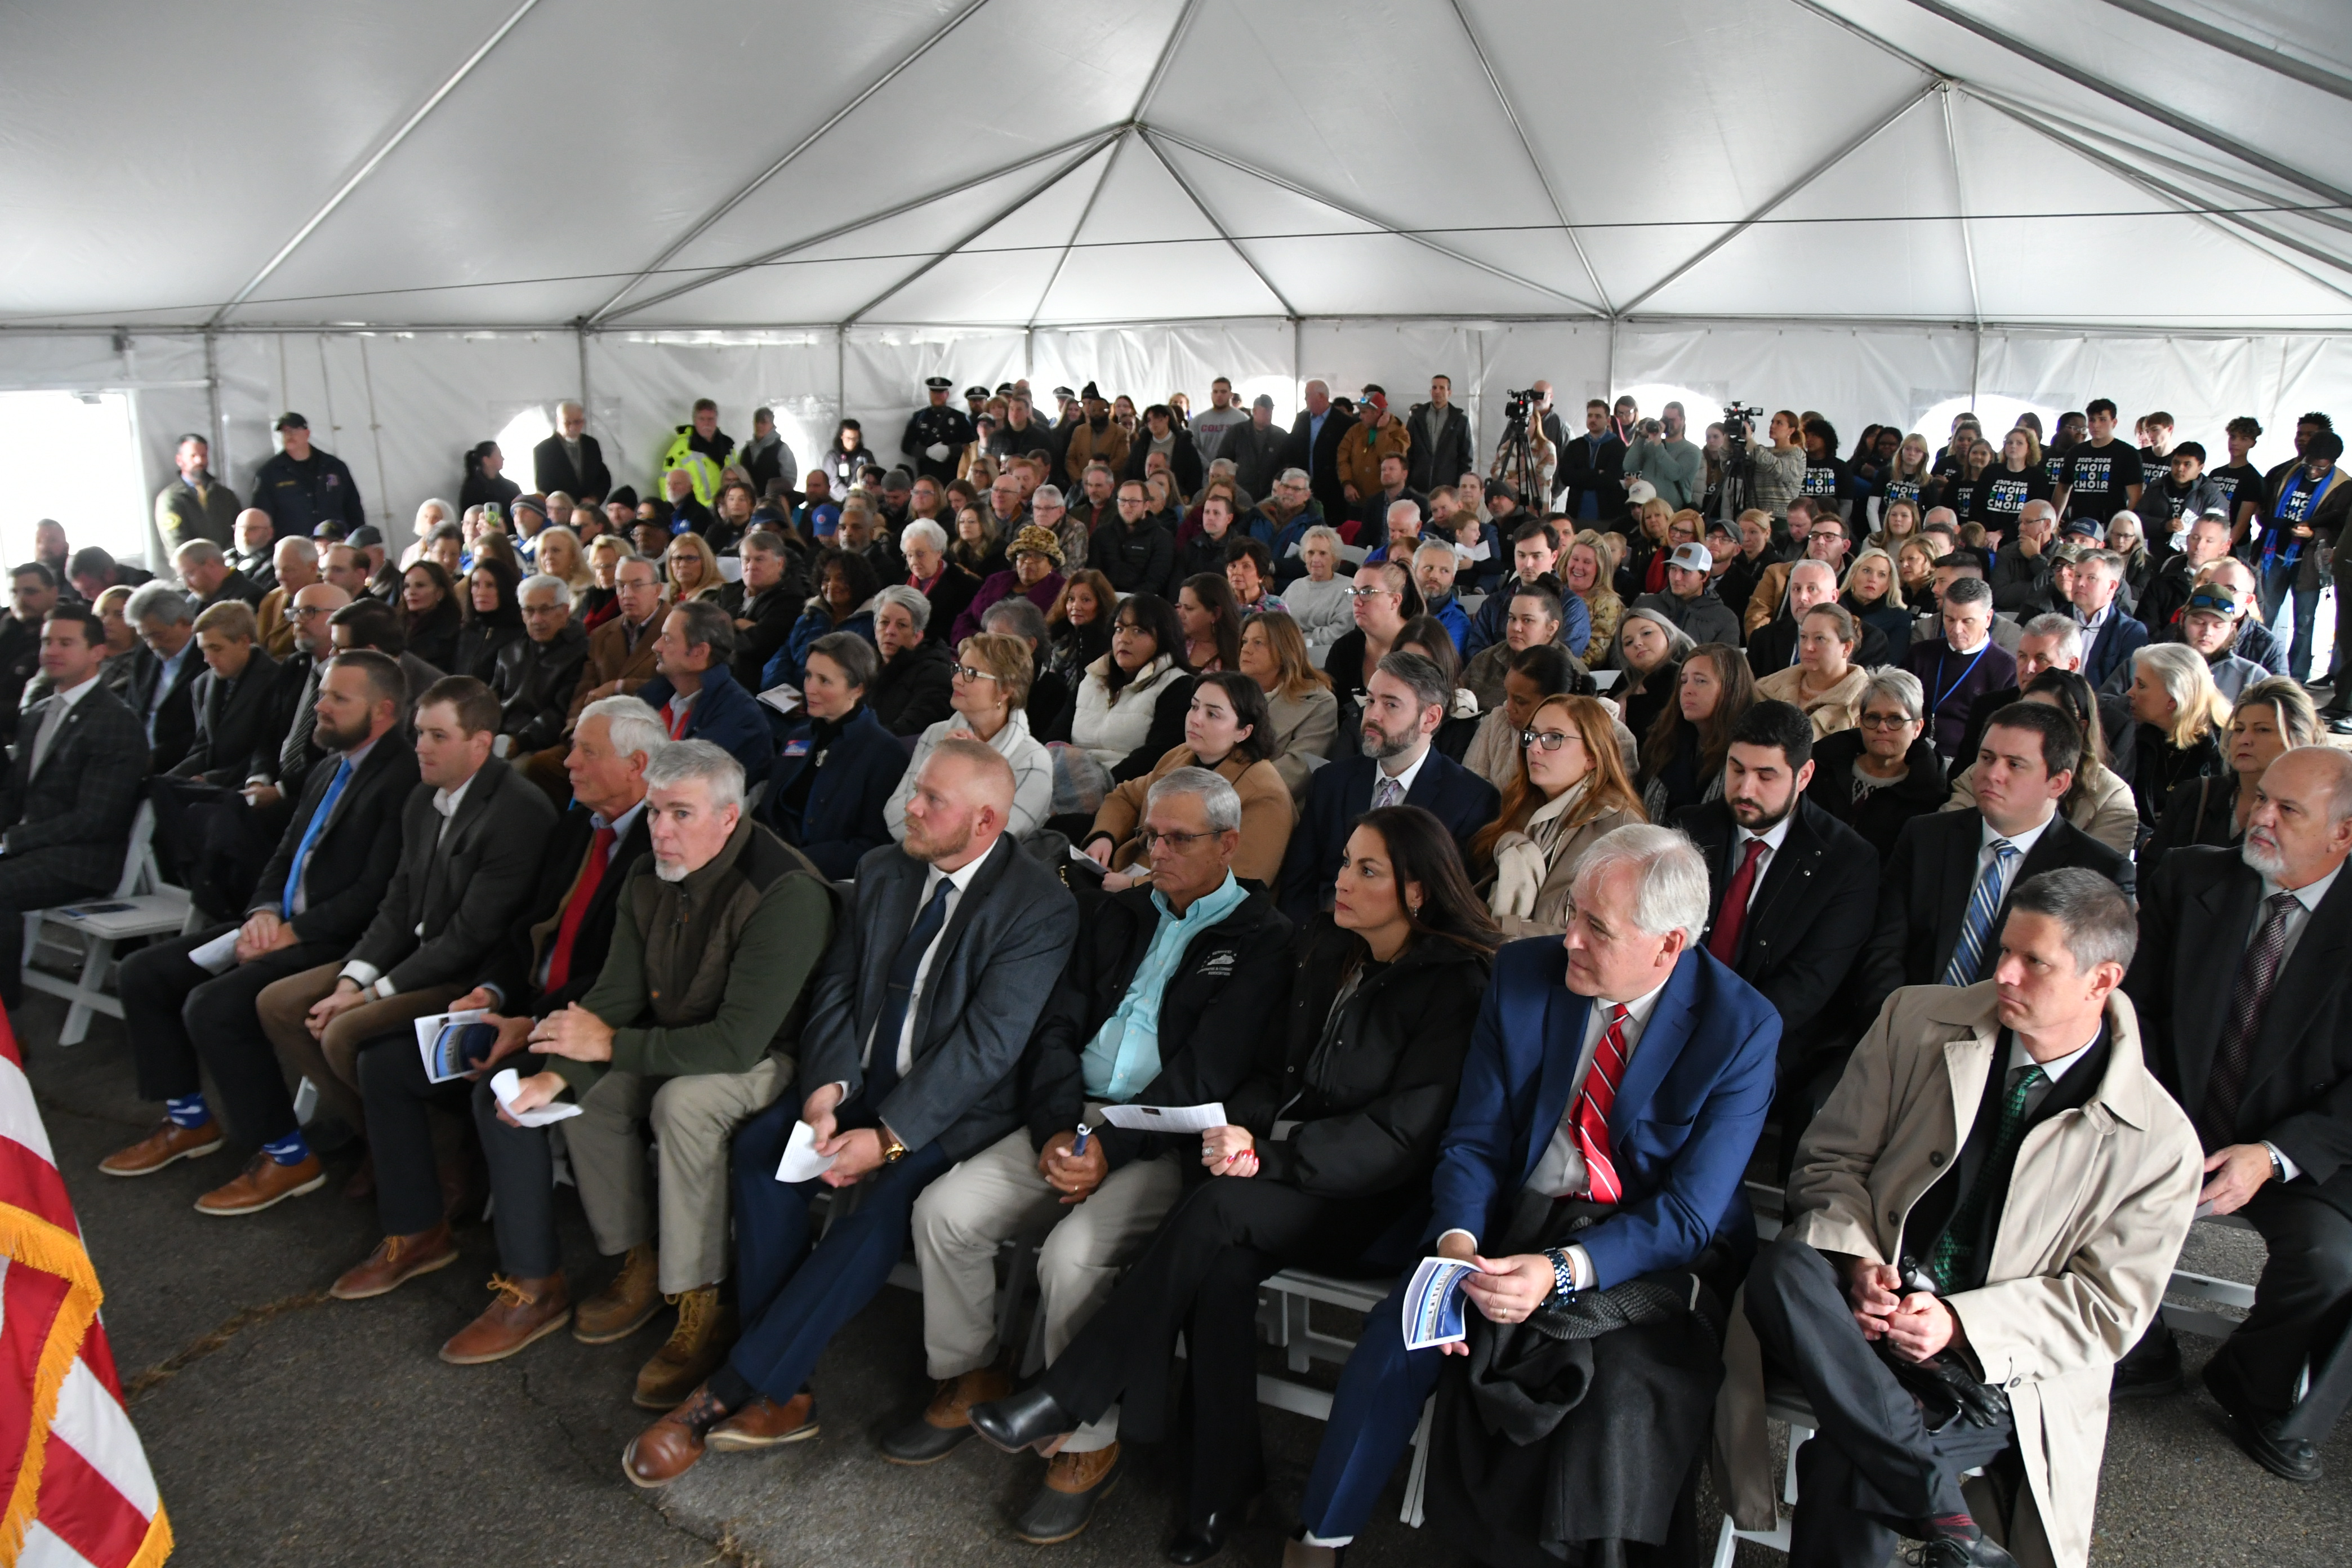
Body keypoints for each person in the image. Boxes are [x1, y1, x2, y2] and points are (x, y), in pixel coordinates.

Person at [968, 808, 1493, 1555]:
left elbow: (1399, 1140)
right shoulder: (1327, 946)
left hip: (1378, 1208)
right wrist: (1238, 1131)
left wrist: (1269, 1157)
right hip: (1287, 1179)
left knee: (1212, 1211)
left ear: (1417, 892)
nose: (1341, 881)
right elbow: (1267, 1069)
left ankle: (1071, 1392)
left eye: (1366, 871)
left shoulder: (1455, 986)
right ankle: (1219, 1495)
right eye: (1344, 861)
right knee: (1216, 1271)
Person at [1280, 824, 1776, 1566]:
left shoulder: (1739, 1027)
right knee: (1405, 1334)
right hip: (1511, 1218)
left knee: (1602, 1386)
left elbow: (1687, 1214)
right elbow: (1474, 1140)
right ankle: (1321, 1538)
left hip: (1634, 1243)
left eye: (1596, 927)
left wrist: (1561, 1269)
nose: (1568, 937)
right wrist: (1458, 1247)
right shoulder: (1523, 974)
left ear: (1669, 947)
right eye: (1571, 911)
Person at [620, 740, 1077, 1484]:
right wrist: (829, 1088)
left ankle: (726, 1393)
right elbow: (837, 987)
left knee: (883, 1207)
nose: (911, 809)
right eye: (914, 790)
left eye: (933, 800)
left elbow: (988, 1048)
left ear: (987, 821)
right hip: (860, 1083)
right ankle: (785, 1384)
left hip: (952, 1112)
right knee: (764, 1151)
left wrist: (889, 1139)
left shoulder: (1039, 905)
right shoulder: (883, 868)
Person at [1741, 868, 2197, 1568]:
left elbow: (2109, 1308)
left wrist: (1960, 1326)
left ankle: (1916, 1482)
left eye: (2034, 962)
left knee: (1848, 1465)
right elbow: (1829, 1162)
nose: (2004, 973)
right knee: (1784, 1266)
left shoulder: (2160, 1142)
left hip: (1987, 1372)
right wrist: (1861, 1262)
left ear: (2102, 981)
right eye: (2003, 949)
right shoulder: (1915, 1019)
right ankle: (1943, 1513)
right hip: (1852, 1325)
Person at [899, 768, 1292, 1540]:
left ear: (1230, 844)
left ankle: (1086, 1441)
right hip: (1068, 1120)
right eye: (1151, 836)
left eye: (1180, 840)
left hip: (1163, 1139)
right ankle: (973, 1369)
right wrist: (1054, 1127)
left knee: (1071, 1258)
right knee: (943, 1211)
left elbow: (1205, 1072)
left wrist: (1107, 1147)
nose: (1160, 852)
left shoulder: (1264, 939)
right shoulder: (1114, 914)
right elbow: (1055, 1026)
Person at [480, 740, 834, 1407]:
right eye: (653, 813)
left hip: (769, 1058)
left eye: (681, 814)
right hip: (681, 1035)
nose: (661, 832)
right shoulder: (649, 872)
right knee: (594, 1094)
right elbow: (615, 991)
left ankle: (698, 1297)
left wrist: (608, 1042)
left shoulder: (786, 891)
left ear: (729, 818)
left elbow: (735, 1044)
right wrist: (552, 1081)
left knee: (683, 1105)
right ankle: (636, 1257)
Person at [328, 698, 656, 1343]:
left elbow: (628, 975)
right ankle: (418, 1228)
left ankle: (535, 1284)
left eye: (587, 752)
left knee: (499, 1094)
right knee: (387, 1064)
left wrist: (528, 1021)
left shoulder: (660, 840)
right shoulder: (579, 829)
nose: (569, 763)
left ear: (638, 764)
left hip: (587, 1025)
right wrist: (491, 988)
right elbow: (522, 931)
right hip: (526, 1007)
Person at [101, 652, 420, 1206]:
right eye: (323, 693)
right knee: (143, 973)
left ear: (383, 711)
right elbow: (283, 854)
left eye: (338, 699)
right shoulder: (330, 766)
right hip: (283, 924)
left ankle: (287, 1157)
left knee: (215, 1007)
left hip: (338, 939)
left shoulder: (404, 777)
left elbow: (378, 892)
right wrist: (264, 913)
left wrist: (293, 933)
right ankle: (188, 1119)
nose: (319, 706)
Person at [2121, 747, 2352, 1476]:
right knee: (2078, 1181)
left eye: (2289, 810)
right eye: (2262, 799)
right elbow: (2137, 1013)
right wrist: (2158, 1119)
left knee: (2329, 1263)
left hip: (2302, 1141)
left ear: (2343, 835)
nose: (2260, 817)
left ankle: (2252, 1380)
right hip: (2177, 1111)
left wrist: (2274, 1156)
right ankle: (2142, 1346)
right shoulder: (2192, 878)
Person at [253, 675, 555, 1161]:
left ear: (480, 744)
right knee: (278, 1003)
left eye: (439, 737)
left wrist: (370, 994)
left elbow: (469, 937)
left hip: (468, 976)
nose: (421, 747)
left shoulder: (517, 811)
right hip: (415, 956)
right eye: (419, 733)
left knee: (343, 1031)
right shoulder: (423, 798)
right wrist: (353, 981)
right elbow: (396, 905)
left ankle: (438, 1162)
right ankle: (386, 1146)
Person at [1673, 700, 1882, 1138]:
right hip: (1676, 1011)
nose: (1745, 789)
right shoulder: (1691, 829)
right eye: (1736, 769)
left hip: (1771, 1033)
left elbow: (1808, 986)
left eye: (1766, 776)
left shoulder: (1846, 861)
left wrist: (1711, 1037)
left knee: (1703, 1094)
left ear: (1803, 776)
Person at [1857, 701, 2135, 1024]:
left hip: (2007, 1042)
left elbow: (2075, 996)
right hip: (1904, 1023)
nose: (1992, 774)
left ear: (2058, 783)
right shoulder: (1926, 837)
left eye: (2015, 765)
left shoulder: (2099, 872)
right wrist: (1897, 1024)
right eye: (1987, 758)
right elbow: (1883, 950)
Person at [1279, 652, 1500, 923]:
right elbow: (1297, 889)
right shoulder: (1331, 782)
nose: (1372, 715)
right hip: (1327, 941)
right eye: (1371, 701)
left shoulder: (1471, 800)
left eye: (1391, 705)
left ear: (1430, 718)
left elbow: (1457, 909)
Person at [0, 607, 149, 1009]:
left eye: (66, 643)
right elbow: (17, 797)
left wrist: (10, 840)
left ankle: (6, 1028)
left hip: (86, 857)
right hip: (38, 846)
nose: (52, 651)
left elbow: (95, 819)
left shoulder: (115, 720)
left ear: (97, 652)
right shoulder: (35, 715)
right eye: (48, 641)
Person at [1081, 672, 1294, 889]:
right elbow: (1126, 797)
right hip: (1130, 874)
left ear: (1244, 731)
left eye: (1212, 714)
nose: (1195, 719)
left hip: (1183, 906)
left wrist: (1136, 886)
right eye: (1194, 707)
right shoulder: (1181, 756)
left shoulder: (1264, 794)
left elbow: (1240, 882)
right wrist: (1105, 836)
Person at [1470, 692, 1643, 937]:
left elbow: (1599, 935)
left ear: (1593, 756)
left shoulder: (1621, 831)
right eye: (1532, 735)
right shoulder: (1520, 806)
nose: (1534, 747)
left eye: (1554, 737)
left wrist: (1493, 930)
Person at [1946, 667, 2139, 857]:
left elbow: (2096, 878)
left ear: (2080, 729)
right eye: (2022, 716)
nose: (2027, 729)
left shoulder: (2112, 798)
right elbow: (1946, 842)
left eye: (2046, 722)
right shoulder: (1982, 773)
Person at [757, 633, 902, 879]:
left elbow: (872, 846)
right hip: (770, 863)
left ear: (858, 689)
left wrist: (794, 863)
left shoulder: (885, 754)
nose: (810, 688)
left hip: (820, 880)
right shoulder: (799, 737)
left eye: (824, 681)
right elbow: (767, 811)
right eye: (808, 675)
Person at [885, 631, 1052, 843]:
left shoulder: (1032, 760)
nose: (955, 680)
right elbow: (894, 819)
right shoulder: (936, 734)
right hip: (911, 860)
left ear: (1006, 690)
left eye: (971, 673)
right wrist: (939, 763)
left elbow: (995, 843)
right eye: (958, 669)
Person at [2144, 676, 2317, 872]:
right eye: (2239, 729)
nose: (2244, 740)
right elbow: (2150, 871)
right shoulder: (2194, 796)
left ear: (2298, 738)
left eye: (2262, 730)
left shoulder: (2312, 814)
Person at [1808, 668, 1949, 859]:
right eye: (1873, 718)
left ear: (1917, 728)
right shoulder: (1823, 767)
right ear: (1860, 722)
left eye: (1895, 719)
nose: (1882, 728)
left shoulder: (1929, 795)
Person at [1056, 593, 1197, 783]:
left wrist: (1098, 784)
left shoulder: (1179, 685)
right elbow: (1055, 737)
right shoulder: (1093, 679)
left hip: (1123, 790)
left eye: (1139, 631)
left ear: (1165, 638)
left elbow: (1158, 756)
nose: (1124, 639)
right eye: (1119, 629)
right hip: (1069, 780)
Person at [636, 599, 773, 781]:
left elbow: (680, 780)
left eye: (667, 639)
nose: (656, 646)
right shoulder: (655, 694)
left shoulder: (739, 716)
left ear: (699, 653)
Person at [165, 602, 280, 788]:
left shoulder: (277, 681)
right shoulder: (203, 684)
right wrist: (172, 779)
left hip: (248, 785)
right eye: (204, 649)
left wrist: (212, 779)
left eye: (216, 648)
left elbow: (268, 752)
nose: (207, 659)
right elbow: (204, 748)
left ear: (244, 642)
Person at [1905, 576, 2017, 764]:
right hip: (1913, 751)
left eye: (1967, 621)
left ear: (1988, 619)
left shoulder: (2006, 668)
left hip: (1968, 762)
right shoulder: (1921, 654)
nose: (1956, 630)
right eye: (1949, 619)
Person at [1638, 640, 1754, 821]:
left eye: (1700, 681)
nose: (1687, 691)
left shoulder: (1748, 752)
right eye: (1684, 681)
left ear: (1731, 689)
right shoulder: (1666, 741)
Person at [2123, 642, 2228, 828]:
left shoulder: (2225, 748)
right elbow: (2119, 808)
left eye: (2141, 685)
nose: (2129, 693)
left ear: (2174, 698)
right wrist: (2142, 839)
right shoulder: (2132, 733)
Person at [1238, 611, 1339, 805]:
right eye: (1244, 641)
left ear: (1286, 649)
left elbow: (1296, 771)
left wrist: (1229, 795)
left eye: (1258, 643)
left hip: (1270, 806)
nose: (1246, 650)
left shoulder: (1319, 703)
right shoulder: (1230, 694)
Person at [495, 573, 591, 758]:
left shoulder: (582, 652)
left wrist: (520, 742)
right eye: (529, 611)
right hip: (499, 737)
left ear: (565, 610)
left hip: (539, 745)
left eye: (545, 610)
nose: (537, 620)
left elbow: (560, 713)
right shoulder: (510, 651)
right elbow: (492, 699)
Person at [1756, 602, 1870, 737]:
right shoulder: (1766, 689)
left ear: (1846, 648)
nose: (1808, 647)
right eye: (1804, 637)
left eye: (1820, 639)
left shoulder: (1866, 701)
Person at [124, 581, 202, 773]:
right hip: (135, 754)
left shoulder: (206, 658)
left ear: (185, 623)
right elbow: (132, 709)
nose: (152, 644)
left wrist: (153, 759)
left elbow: (200, 732)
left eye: (158, 635)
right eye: (145, 637)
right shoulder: (146, 656)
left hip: (178, 763)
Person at [251, 412, 364, 539]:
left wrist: (357, 543)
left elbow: (353, 508)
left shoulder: (334, 467)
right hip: (295, 548)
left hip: (334, 545)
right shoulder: (269, 473)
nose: (289, 435)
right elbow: (261, 516)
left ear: (307, 433)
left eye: (294, 430)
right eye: (285, 432)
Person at [155, 434, 240, 555]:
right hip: (192, 570)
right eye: (193, 456)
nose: (199, 461)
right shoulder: (171, 499)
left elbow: (239, 533)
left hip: (226, 567)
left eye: (203, 456)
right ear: (179, 460)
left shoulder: (226, 496)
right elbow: (177, 546)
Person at [1279, 525, 1353, 647]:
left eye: (1323, 553)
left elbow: (1340, 632)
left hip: (1326, 658)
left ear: (1334, 557)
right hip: (1289, 653)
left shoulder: (1348, 587)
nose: (1315, 559)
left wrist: (1300, 639)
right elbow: (1277, 621)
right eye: (1311, 553)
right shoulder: (1296, 585)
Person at [657, 398, 736, 506]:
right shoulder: (681, 450)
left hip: (726, 510)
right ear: (695, 420)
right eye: (702, 419)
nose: (706, 424)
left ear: (717, 420)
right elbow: (666, 483)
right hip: (696, 514)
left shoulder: (729, 447)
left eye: (711, 419)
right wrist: (672, 511)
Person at [253, 536, 320, 658]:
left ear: (313, 568)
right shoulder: (271, 599)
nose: (280, 576)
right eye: (277, 569)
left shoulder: (327, 602)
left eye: (288, 570)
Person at [532, 400, 611, 500]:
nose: (572, 427)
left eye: (577, 422)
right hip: (561, 511)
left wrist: (594, 499)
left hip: (589, 509)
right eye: (567, 422)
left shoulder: (591, 444)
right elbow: (544, 487)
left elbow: (603, 478)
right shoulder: (544, 450)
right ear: (558, 421)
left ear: (583, 422)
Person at [398, 560, 463, 671]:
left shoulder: (453, 632)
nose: (411, 592)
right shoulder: (396, 626)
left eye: (420, 586)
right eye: (407, 586)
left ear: (440, 593)